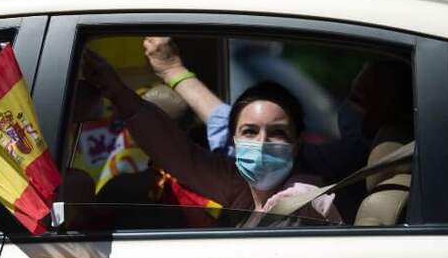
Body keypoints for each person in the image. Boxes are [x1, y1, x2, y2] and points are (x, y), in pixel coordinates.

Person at [82, 50, 340, 222]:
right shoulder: (240, 189)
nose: (261, 144)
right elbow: (177, 154)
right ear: (233, 140)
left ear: (296, 146)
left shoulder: (303, 201)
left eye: (278, 133)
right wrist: (115, 90)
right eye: (250, 131)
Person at [142, 36, 412, 183]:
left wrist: (172, 71)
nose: (261, 145)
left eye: (358, 97)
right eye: (249, 132)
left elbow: (226, 127)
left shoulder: (328, 176)